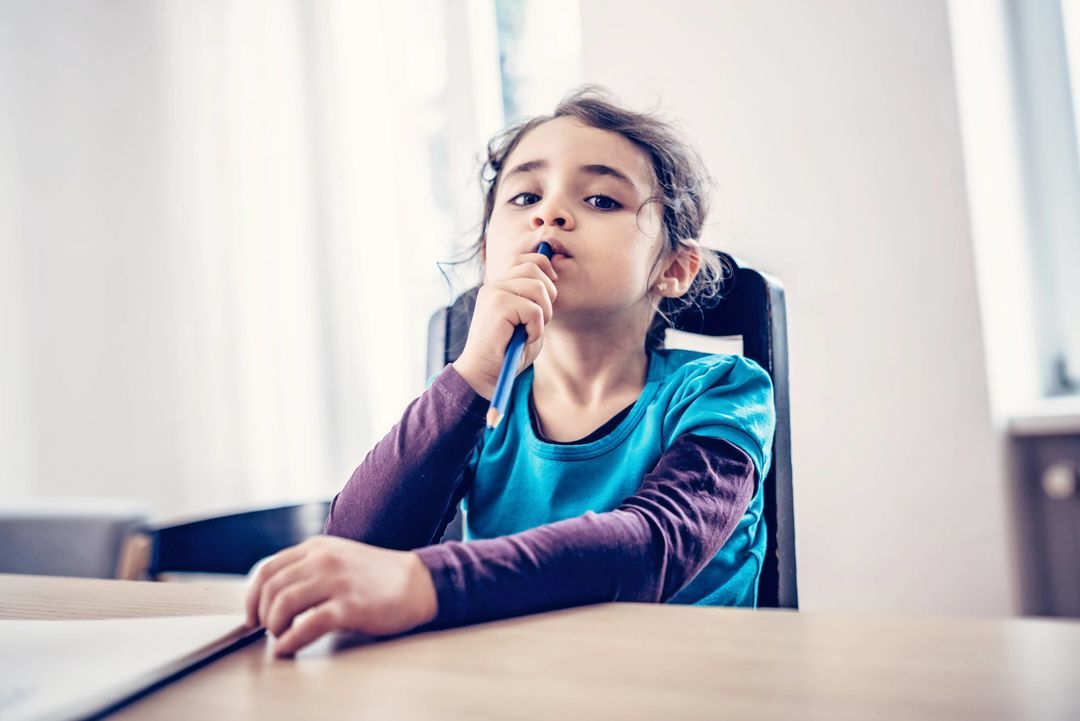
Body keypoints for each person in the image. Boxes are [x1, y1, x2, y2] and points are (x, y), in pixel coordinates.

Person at [245, 86, 775, 657]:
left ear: (673, 269)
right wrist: (471, 372)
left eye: (600, 200)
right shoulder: (477, 404)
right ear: (488, 254)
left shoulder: (724, 391)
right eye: (524, 197)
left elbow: (651, 548)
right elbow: (358, 544)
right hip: (506, 685)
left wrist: (429, 583)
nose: (549, 212)